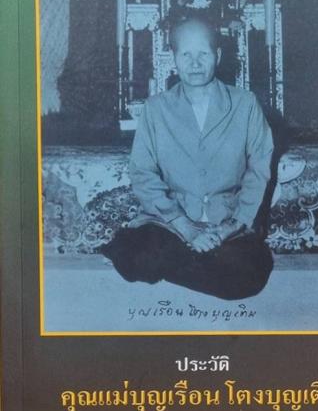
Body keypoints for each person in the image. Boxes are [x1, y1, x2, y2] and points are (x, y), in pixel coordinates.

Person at [102, 16, 275, 300]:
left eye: (203, 54)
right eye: (186, 55)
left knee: (249, 272)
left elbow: (259, 171)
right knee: (138, 255)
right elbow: (143, 173)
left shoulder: (245, 105)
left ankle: (181, 259)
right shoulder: (156, 109)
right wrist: (187, 230)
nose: (195, 63)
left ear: (218, 55)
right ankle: (196, 258)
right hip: (171, 223)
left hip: (226, 223)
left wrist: (228, 228)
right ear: (173, 57)